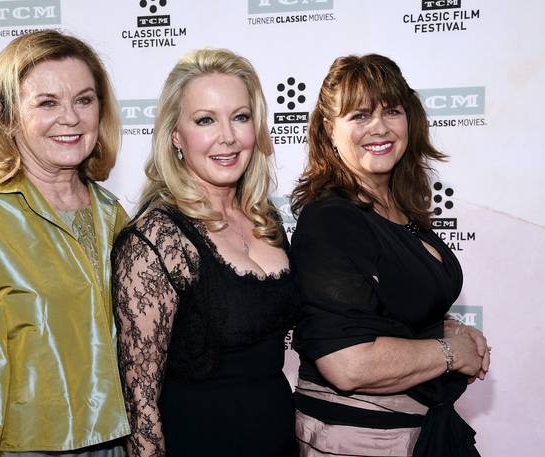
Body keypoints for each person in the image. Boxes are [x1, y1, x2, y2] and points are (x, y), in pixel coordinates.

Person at [0, 30, 129, 456]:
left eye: (84, 100)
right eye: (47, 103)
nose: (70, 118)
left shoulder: (114, 216)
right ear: (6, 116)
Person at [290, 54, 491, 457]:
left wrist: (444, 326)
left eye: (391, 111)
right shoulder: (331, 219)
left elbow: (388, 306)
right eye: (359, 115)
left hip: (416, 430)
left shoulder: (399, 207)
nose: (379, 127)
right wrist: (452, 353)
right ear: (330, 130)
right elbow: (347, 364)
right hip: (362, 438)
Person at [112, 48, 299, 457]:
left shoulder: (265, 217)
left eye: (241, 116)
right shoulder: (155, 240)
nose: (227, 137)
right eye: (205, 120)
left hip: (279, 442)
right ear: (175, 136)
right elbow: (140, 407)